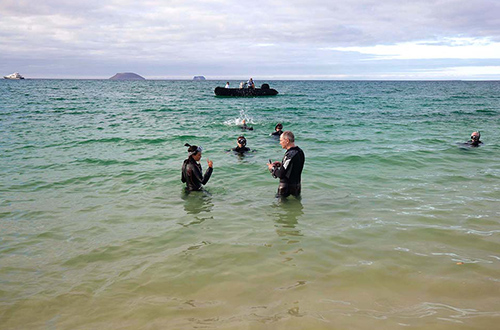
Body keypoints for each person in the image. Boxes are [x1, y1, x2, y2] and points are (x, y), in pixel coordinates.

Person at [267, 131, 305, 198]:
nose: (280, 143)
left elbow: (281, 174)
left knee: (280, 207)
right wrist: (282, 164)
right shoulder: (300, 152)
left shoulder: (289, 154)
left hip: (285, 187)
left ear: (287, 141)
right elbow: (294, 167)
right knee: (297, 206)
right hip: (297, 186)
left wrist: (272, 168)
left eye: (281, 140)